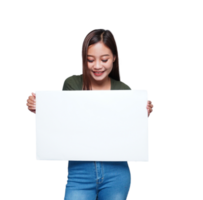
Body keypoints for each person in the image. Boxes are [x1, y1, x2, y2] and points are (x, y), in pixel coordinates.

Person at [24, 28, 156, 200]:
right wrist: (37, 107)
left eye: (104, 59)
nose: (98, 66)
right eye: (90, 60)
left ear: (115, 58)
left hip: (117, 173)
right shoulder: (71, 83)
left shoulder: (125, 90)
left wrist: (144, 113)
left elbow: (130, 131)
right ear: (83, 59)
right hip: (79, 172)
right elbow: (61, 120)